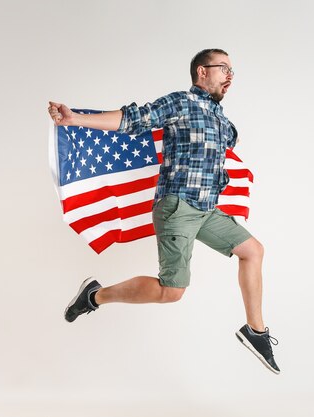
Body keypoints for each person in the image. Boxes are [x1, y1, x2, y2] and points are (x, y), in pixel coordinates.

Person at [48, 48, 279, 374]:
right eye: (223, 68)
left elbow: (226, 144)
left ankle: (256, 333)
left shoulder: (220, 118)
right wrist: (76, 119)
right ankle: (94, 296)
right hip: (178, 206)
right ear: (202, 71)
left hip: (205, 209)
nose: (229, 76)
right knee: (171, 292)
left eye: (232, 71)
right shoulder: (181, 103)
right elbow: (133, 119)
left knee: (253, 251)